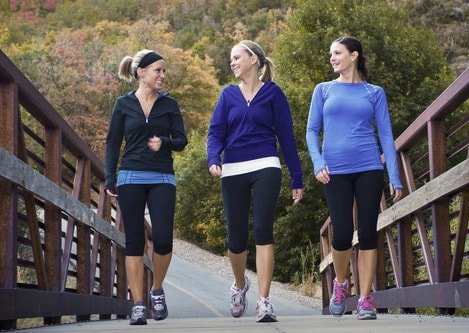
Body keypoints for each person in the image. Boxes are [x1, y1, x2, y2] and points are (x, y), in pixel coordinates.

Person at [306, 36, 403, 320]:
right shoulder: (323, 90)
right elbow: (312, 130)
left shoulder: (374, 92)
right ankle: (340, 283)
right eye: (331, 53)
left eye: (337, 53)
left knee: (369, 232)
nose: (332, 58)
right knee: (343, 233)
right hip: (334, 170)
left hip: (369, 166)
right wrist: (318, 162)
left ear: (354, 55)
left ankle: (365, 299)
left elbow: (385, 134)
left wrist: (394, 177)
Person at [206, 40, 304, 322]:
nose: (232, 62)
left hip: (266, 164)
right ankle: (239, 285)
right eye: (231, 59)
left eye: (237, 57)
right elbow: (215, 132)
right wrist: (213, 158)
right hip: (233, 167)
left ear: (254, 59)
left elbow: (286, 137)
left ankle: (264, 301)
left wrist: (296, 177)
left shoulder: (273, 94)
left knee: (263, 229)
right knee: (236, 238)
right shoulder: (227, 96)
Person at [104, 49, 188, 325]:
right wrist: (109, 177)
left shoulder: (169, 105)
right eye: (158, 71)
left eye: (164, 71)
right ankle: (138, 303)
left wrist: (164, 140)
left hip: (162, 176)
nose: (163, 75)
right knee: (134, 242)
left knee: (163, 239)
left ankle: (157, 289)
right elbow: (113, 142)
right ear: (141, 73)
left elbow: (181, 140)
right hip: (130, 176)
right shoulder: (123, 104)